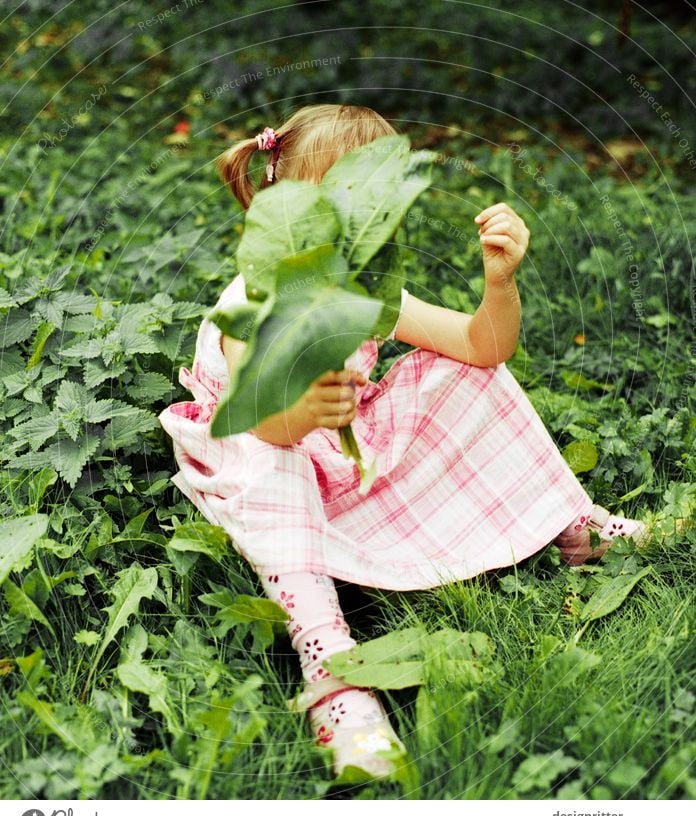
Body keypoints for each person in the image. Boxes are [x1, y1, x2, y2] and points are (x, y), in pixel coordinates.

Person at [158, 103, 647, 780]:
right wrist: (304, 409)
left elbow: (482, 344)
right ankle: (330, 667)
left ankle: (570, 523)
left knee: (469, 377)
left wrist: (498, 284)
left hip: (337, 448)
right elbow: (265, 424)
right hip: (259, 451)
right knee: (277, 466)